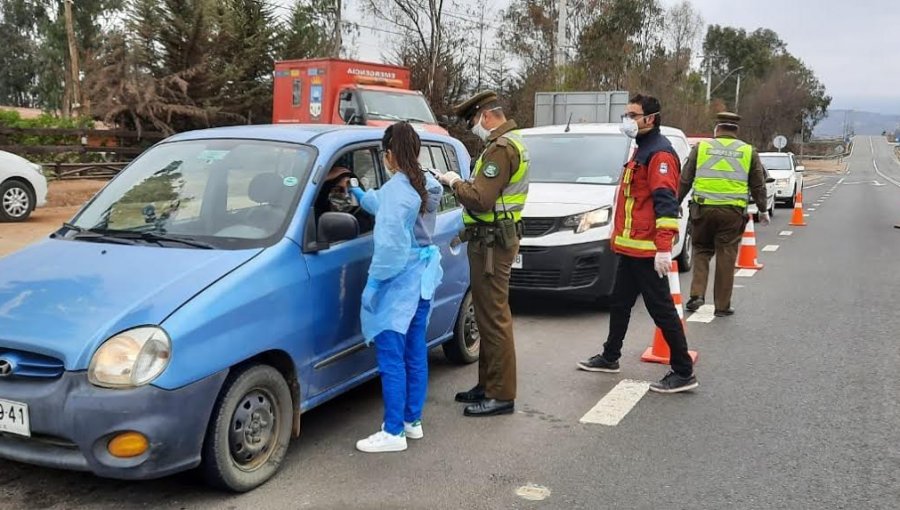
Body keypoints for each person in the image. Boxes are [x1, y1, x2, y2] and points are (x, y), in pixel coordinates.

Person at [576, 94, 698, 394]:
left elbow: (665, 204)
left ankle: (683, 371)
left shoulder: (660, 155)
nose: (627, 120)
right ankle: (610, 356)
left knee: (662, 310)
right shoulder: (641, 149)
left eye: (633, 115)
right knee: (620, 303)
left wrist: (663, 248)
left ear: (650, 119)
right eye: (626, 114)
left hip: (647, 251)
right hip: (631, 248)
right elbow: (632, 201)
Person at [350, 122, 444, 453]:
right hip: (423, 283)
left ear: (389, 154)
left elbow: (389, 249)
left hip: (398, 283)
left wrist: (373, 285)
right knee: (415, 352)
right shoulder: (426, 184)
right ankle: (411, 422)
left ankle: (393, 432)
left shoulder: (399, 192)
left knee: (391, 356)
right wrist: (362, 196)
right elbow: (384, 204)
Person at [438, 91, 529, 416]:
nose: (474, 126)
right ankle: (486, 386)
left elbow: (480, 199)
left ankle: (501, 395)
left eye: (473, 121)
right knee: (489, 316)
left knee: (494, 319)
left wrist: (453, 183)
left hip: (492, 244)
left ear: (487, 116)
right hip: (489, 241)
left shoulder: (502, 149)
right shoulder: (507, 143)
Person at [678, 112, 769, 317]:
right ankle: (722, 306)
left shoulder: (701, 148)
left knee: (701, 250)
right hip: (732, 212)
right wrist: (762, 209)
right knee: (726, 256)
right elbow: (758, 185)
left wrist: (674, 203)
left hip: (702, 209)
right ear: (736, 131)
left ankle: (696, 295)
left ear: (717, 129)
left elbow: (685, 179)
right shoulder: (748, 151)